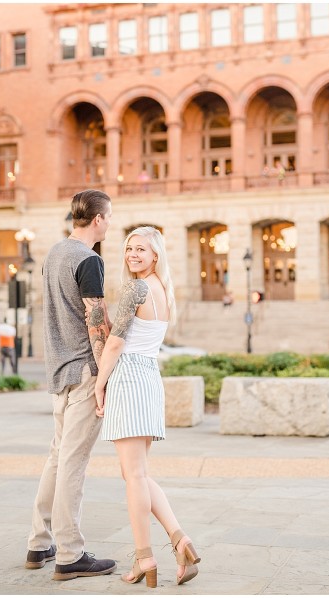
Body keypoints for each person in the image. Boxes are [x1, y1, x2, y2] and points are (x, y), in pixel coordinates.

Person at [94, 226, 201, 588]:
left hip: (128, 377)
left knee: (134, 476)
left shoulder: (136, 288)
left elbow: (115, 344)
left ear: (156, 255)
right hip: (150, 377)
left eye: (141, 249)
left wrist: (99, 384)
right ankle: (179, 539)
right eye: (129, 248)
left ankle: (145, 557)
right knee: (136, 473)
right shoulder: (164, 291)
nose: (133, 255)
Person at [26, 189, 117, 580]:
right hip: (83, 371)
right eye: (109, 216)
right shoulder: (89, 259)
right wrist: (104, 377)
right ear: (97, 219)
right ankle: (69, 553)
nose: (110, 223)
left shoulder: (54, 254)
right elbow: (96, 322)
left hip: (58, 371)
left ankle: (38, 543)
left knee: (57, 456)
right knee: (73, 463)